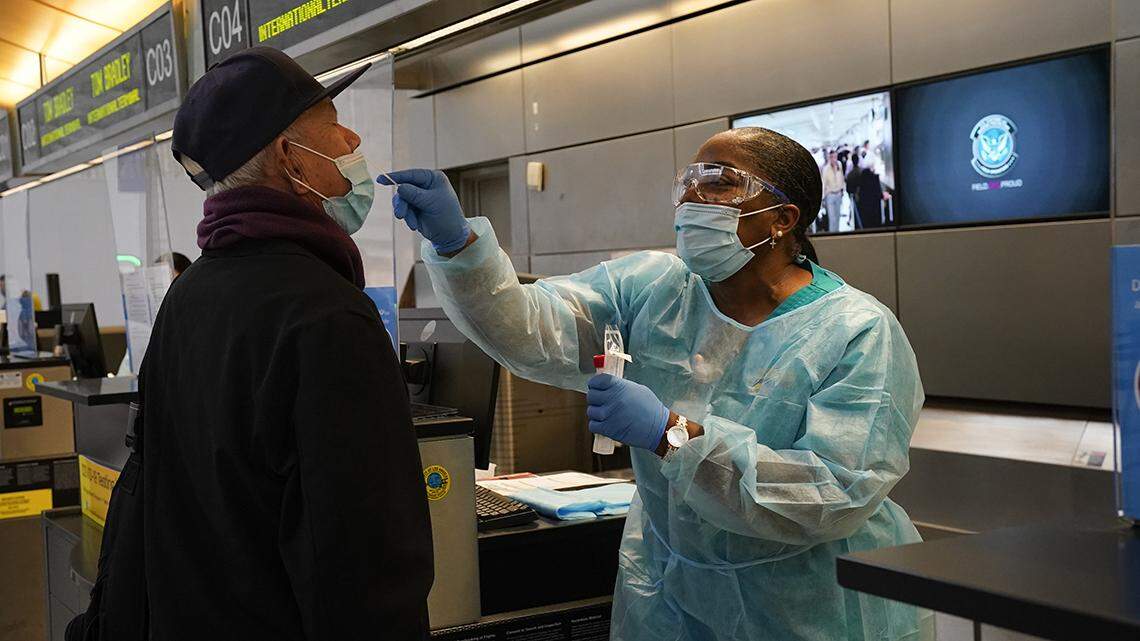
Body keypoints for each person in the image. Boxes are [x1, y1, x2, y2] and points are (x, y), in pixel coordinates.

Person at [383, 127, 931, 640]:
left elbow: (831, 495)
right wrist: (458, 245)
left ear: (781, 218)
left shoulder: (856, 331)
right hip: (671, 592)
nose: (693, 198)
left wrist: (672, 434)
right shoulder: (653, 287)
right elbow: (532, 329)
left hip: (809, 606)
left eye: (718, 182)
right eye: (687, 183)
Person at [134, 47, 433, 640]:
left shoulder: (186, 296)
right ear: (288, 156)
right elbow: (360, 565)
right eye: (332, 124)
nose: (351, 138)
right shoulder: (327, 317)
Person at [821, 149, 846, 233]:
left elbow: (842, 177)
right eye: (832, 157)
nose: (834, 159)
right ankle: (832, 235)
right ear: (829, 158)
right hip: (830, 195)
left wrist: (842, 190)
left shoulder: (839, 165)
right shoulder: (826, 169)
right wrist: (823, 198)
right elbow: (824, 182)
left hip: (838, 194)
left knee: (838, 216)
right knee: (832, 218)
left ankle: (837, 234)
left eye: (835, 157)